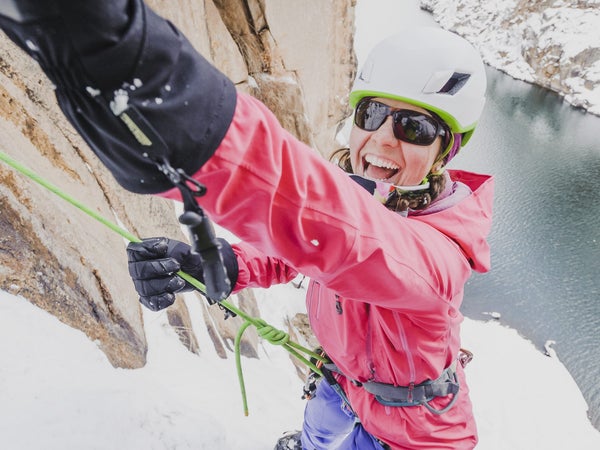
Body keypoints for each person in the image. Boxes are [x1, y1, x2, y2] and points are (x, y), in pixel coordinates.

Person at [0, 2, 493, 449]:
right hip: (340, 379)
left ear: (443, 152)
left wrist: (183, 118)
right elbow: (311, 247)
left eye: (415, 128)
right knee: (317, 434)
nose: (383, 139)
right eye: (373, 113)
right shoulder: (366, 192)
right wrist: (224, 262)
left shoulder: (440, 258)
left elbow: (349, 238)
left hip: (412, 433)